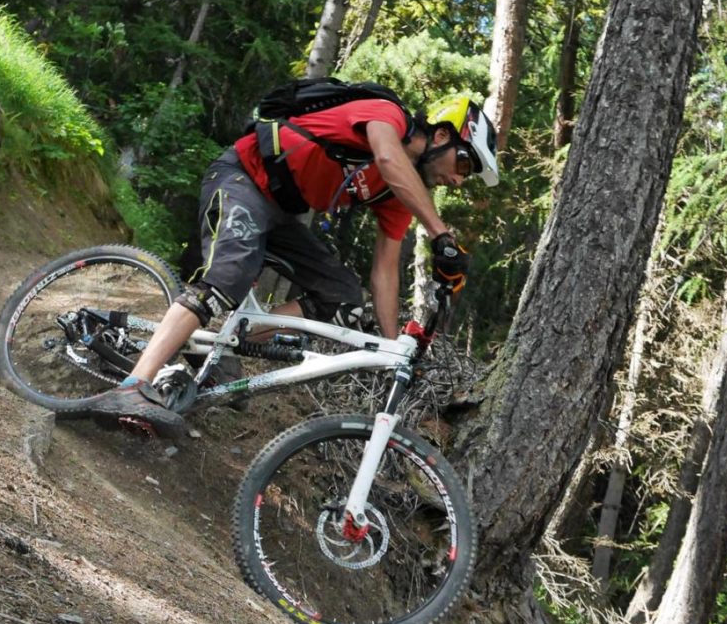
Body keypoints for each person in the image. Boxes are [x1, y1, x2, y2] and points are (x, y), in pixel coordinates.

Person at [78, 91, 499, 436]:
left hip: (279, 213)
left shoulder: (395, 200)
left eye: (469, 175)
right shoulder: (387, 116)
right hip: (241, 178)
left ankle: (222, 339)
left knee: (344, 298)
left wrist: (392, 349)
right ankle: (134, 384)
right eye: (464, 163)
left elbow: (385, 273)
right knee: (227, 278)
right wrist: (440, 234)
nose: (460, 180)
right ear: (442, 134)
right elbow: (389, 162)